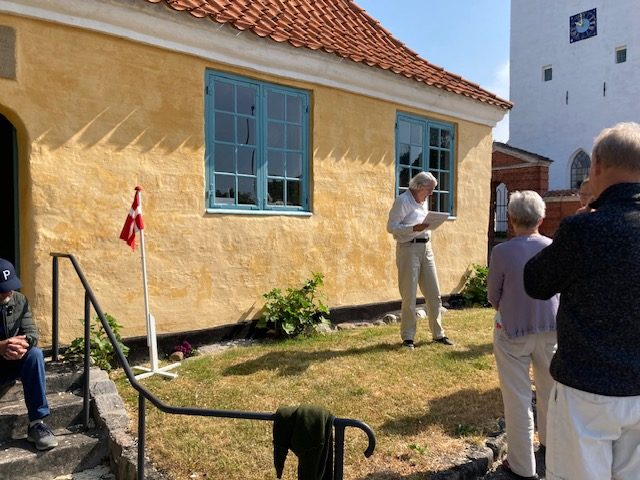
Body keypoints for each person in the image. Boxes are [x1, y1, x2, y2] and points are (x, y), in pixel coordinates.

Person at [524, 122, 640, 480]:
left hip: (586, 390)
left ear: (598, 165)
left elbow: (536, 282)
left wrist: (572, 229)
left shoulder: (585, 228)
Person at [488, 191, 558, 480]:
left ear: (511, 219)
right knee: (551, 392)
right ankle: (552, 448)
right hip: (551, 328)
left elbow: (493, 296)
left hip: (513, 330)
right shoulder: (553, 247)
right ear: (541, 218)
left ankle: (522, 466)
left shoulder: (502, 252)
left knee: (517, 398)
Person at [386, 171, 453, 349]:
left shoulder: (423, 201)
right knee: (409, 295)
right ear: (419, 186)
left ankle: (438, 334)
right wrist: (413, 228)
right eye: (429, 189)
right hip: (408, 249)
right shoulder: (402, 201)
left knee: (434, 293)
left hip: (426, 248)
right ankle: (408, 338)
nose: (431, 193)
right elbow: (391, 227)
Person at [0, 258, 58, 450]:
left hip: (12, 362)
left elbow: (32, 333)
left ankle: (37, 423)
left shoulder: (20, 300)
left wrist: (20, 345)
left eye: (10, 286)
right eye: (2, 289)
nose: (8, 292)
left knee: (34, 355)